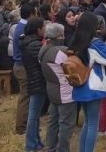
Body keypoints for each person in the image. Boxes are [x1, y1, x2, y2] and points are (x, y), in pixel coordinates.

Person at [70, 14, 106, 152]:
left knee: (87, 121)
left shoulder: (75, 41)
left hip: (80, 84)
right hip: (93, 86)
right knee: (93, 123)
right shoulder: (94, 43)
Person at [40, 22, 76, 152]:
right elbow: (73, 69)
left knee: (53, 120)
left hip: (51, 88)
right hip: (65, 91)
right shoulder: (61, 52)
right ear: (60, 35)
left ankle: (50, 147)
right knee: (66, 123)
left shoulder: (43, 48)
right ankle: (63, 149)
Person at [21, 17, 47, 152]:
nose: (45, 29)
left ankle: (36, 142)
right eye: (43, 27)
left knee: (35, 115)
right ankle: (31, 145)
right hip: (37, 82)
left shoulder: (29, 42)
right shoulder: (35, 45)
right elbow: (43, 61)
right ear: (38, 29)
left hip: (34, 80)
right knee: (33, 115)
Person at [11, 1, 34, 135]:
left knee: (27, 95)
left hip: (20, 65)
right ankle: (21, 127)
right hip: (22, 66)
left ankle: (25, 124)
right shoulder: (23, 29)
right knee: (25, 96)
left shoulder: (21, 26)